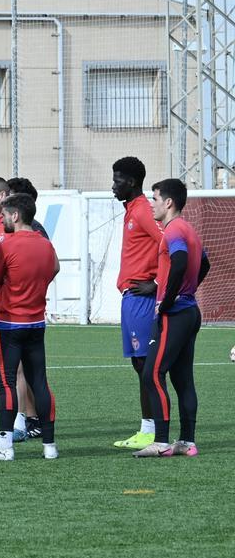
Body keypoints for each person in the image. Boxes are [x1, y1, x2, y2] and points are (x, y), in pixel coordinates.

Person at [0, 193, 60, 461]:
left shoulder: (7, 245)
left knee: (7, 383)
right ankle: (49, 446)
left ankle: (5, 446)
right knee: (39, 381)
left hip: (9, 323)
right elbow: (54, 269)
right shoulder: (45, 244)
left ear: (15, 215)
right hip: (36, 322)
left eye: (5, 215)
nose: (3, 220)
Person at [134, 178, 210, 458]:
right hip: (189, 311)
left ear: (168, 202)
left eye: (154, 199)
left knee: (152, 372)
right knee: (183, 379)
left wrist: (166, 301)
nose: (151, 204)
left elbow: (179, 263)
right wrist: (188, 292)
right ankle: (187, 441)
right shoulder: (189, 229)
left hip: (175, 314)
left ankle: (162, 441)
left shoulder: (174, 230)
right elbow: (205, 263)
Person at [111, 157, 163, 451]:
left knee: (146, 365)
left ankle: (152, 429)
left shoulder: (143, 210)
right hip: (131, 298)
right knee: (139, 364)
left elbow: (169, 241)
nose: (113, 185)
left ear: (131, 182)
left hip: (143, 298)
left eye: (117, 180)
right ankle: (148, 427)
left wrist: (155, 283)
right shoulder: (132, 210)